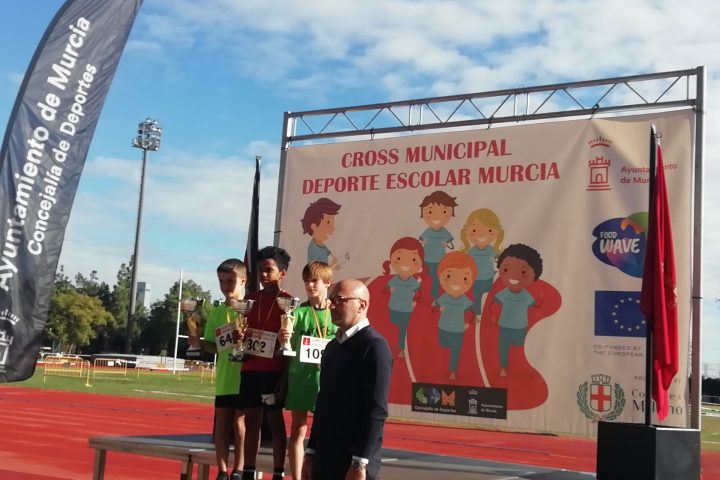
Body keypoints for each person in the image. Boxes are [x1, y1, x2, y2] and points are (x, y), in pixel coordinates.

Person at [301, 279, 392, 480]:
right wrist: (311, 453)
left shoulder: (374, 347)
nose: (332, 306)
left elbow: (376, 411)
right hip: (324, 458)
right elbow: (323, 404)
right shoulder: (332, 347)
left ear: (362, 305)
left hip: (353, 462)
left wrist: (360, 462)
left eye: (339, 300)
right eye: (331, 300)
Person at [238, 246, 294, 480]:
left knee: (274, 423)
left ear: (282, 273)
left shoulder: (289, 302)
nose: (263, 274)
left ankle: (278, 472)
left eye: (268, 270)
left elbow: (290, 344)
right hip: (251, 369)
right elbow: (242, 331)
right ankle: (248, 470)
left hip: (273, 372)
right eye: (260, 270)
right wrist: (240, 337)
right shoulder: (250, 300)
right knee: (252, 422)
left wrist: (284, 376)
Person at [192, 258, 247, 480]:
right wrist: (197, 342)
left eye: (230, 281)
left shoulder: (251, 308)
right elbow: (212, 346)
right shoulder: (217, 312)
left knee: (240, 424)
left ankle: (239, 469)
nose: (225, 286)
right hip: (225, 377)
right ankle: (223, 471)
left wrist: (244, 339)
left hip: (246, 377)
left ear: (243, 280)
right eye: (221, 281)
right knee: (222, 425)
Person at [282, 261, 337, 480]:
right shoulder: (297, 312)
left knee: (326, 431)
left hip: (329, 380)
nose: (309, 285)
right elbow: (287, 346)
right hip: (301, 378)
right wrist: (284, 337)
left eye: (315, 281)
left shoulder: (336, 312)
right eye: (306, 281)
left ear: (327, 282)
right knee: (298, 429)